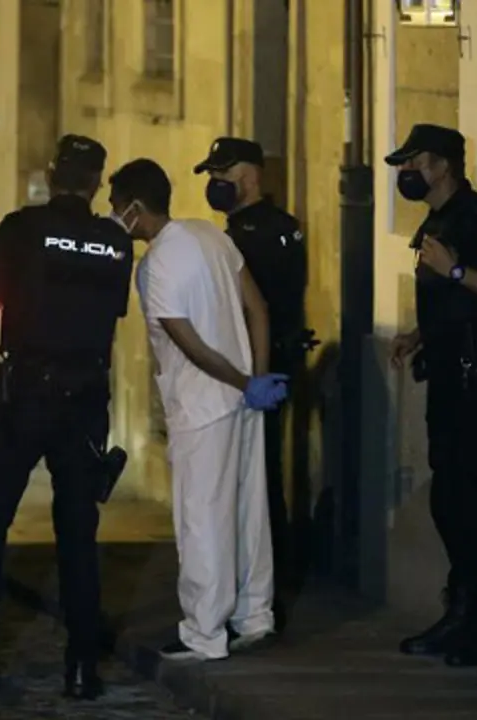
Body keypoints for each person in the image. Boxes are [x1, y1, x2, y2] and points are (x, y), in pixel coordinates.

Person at [0, 135, 133, 700]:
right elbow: (107, 320)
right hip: (86, 400)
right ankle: (83, 668)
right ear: (97, 184)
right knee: (78, 535)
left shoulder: (23, 227)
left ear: (52, 173)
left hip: (27, 394)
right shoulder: (115, 242)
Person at [110, 158, 287, 661]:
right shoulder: (212, 236)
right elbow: (259, 308)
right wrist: (257, 377)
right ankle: (255, 617)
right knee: (249, 516)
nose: (115, 217)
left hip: (202, 405)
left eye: (117, 209)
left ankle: (204, 634)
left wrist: (239, 379)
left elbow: (184, 339)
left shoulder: (155, 265)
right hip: (243, 404)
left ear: (136, 209)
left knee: (202, 519)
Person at [383, 124, 477, 667]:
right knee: (450, 501)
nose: (405, 174)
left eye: (413, 163)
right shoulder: (437, 221)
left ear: (441, 165)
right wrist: (418, 334)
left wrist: (455, 269)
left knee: (476, 502)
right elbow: (452, 301)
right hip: (446, 372)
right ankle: (461, 608)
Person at [193, 137, 309, 613]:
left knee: (250, 481)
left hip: (252, 371)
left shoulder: (248, 234)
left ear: (251, 176)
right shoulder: (278, 227)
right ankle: (261, 584)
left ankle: (257, 589)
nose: (216, 184)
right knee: (259, 477)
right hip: (264, 366)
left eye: (224, 173)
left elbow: (251, 305)